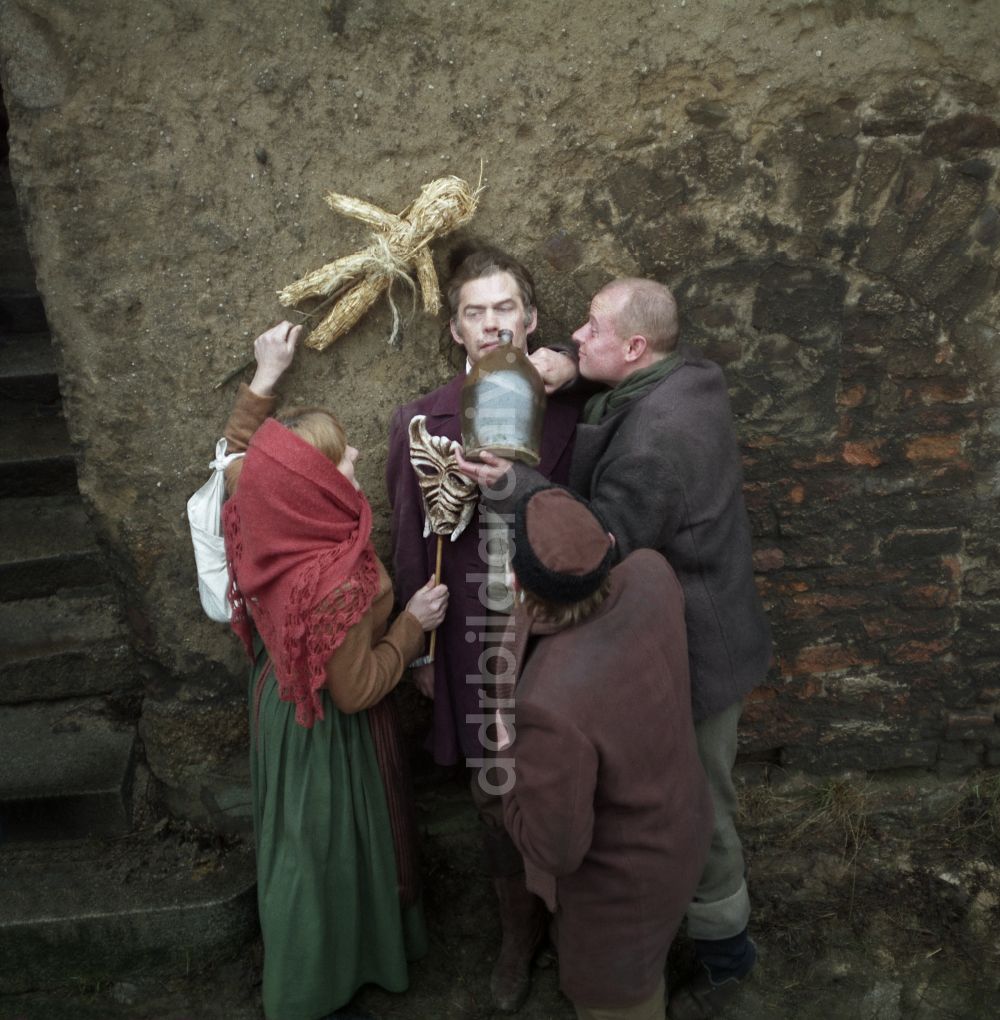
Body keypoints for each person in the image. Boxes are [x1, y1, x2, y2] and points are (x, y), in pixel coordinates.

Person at [457, 278, 774, 1020]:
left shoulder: (658, 446)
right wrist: (571, 359)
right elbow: (610, 345)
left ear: (634, 349)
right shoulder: (688, 375)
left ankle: (727, 951)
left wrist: (515, 485)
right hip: (681, 627)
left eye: (591, 331)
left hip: (694, 649)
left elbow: (591, 547)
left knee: (701, 801)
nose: (576, 335)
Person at [221, 321, 449, 1020]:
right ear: (313, 486)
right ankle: (319, 982)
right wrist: (413, 624)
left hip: (279, 706)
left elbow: (237, 457)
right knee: (329, 852)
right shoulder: (336, 577)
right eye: (339, 461)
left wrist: (265, 378)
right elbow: (354, 690)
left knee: (295, 843)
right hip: (327, 733)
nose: (353, 455)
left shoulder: (259, 511)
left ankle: (302, 968)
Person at [385, 246, 580, 1011]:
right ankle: (515, 936)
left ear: (531, 322)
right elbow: (409, 541)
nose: (492, 322)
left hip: (562, 633)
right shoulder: (420, 421)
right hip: (470, 638)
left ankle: (573, 925)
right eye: (476, 311)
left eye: (506, 309)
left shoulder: (576, 410)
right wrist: (422, 651)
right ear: (456, 329)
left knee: (565, 778)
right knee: (492, 791)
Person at [498, 485, 713, 1020]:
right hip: (683, 829)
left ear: (516, 582)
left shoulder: (551, 705)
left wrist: (507, 761)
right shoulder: (651, 573)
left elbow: (556, 850)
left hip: (621, 903)